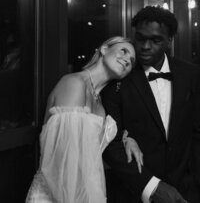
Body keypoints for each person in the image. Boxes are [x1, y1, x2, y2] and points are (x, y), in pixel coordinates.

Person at [25, 36, 143, 203]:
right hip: (57, 195)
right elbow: (64, 167)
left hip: (85, 192)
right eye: (123, 51)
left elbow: (92, 155)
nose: (127, 60)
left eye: (131, 61)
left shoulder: (100, 103)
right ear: (104, 49)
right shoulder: (74, 83)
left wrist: (127, 139)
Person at [102, 6, 200, 203]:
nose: (145, 46)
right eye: (140, 38)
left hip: (187, 192)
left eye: (155, 40)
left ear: (169, 40)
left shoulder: (191, 74)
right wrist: (151, 187)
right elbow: (110, 141)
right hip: (134, 193)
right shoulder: (119, 76)